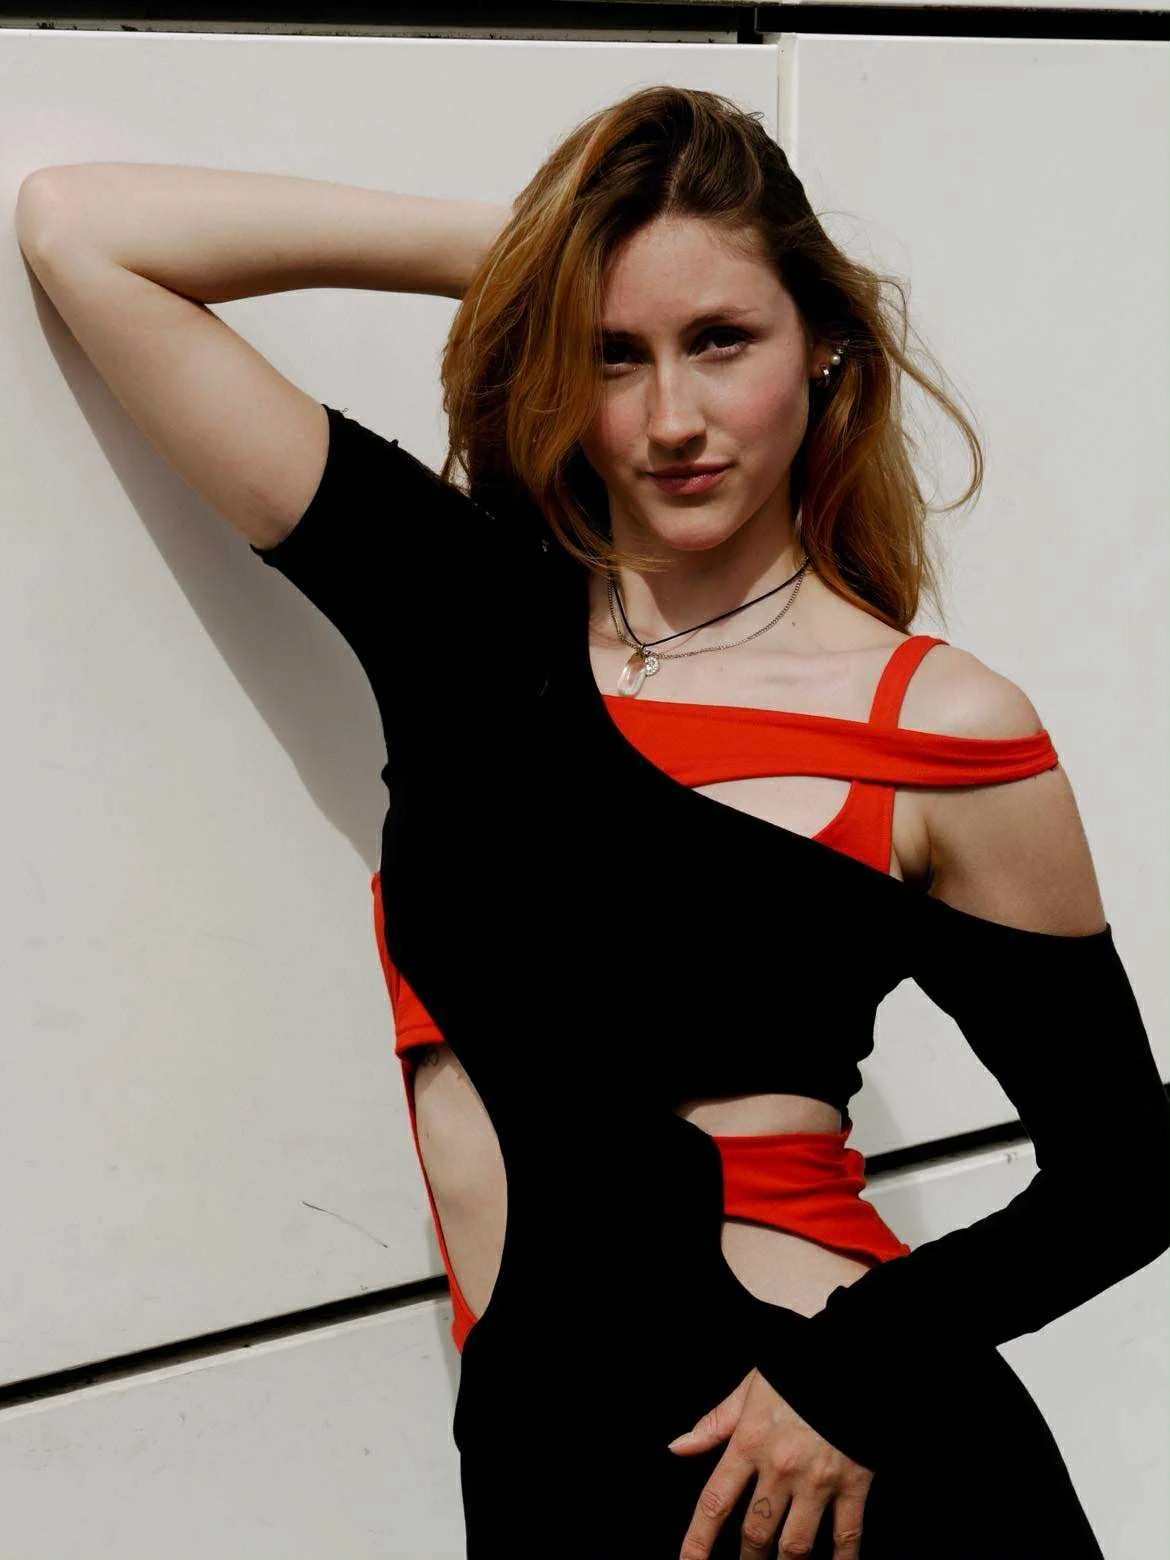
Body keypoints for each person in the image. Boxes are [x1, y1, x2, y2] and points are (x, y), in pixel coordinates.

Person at [17, 84, 1169, 1560]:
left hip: (816, 1453)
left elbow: (1124, 1173)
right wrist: (531, 257)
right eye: (610, 355)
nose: (670, 418)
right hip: (542, 1446)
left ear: (819, 344)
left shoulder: (931, 728)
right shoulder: (458, 608)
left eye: (720, 340)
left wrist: (858, 1376)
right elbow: (84, 236)